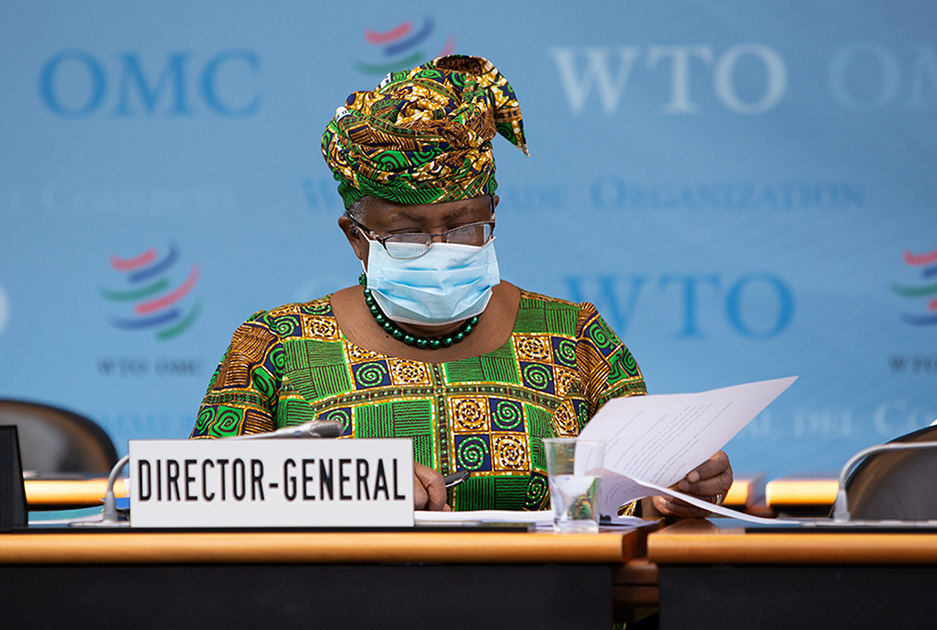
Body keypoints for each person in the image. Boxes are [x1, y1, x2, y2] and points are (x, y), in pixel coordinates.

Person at [191, 55, 731, 517]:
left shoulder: (576, 339)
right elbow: (191, 498)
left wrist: (676, 493)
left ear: (493, 212)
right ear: (356, 239)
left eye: (463, 226)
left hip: (543, 627)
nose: (441, 247)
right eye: (405, 233)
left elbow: (634, 501)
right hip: (340, 628)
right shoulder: (275, 346)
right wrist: (357, 487)